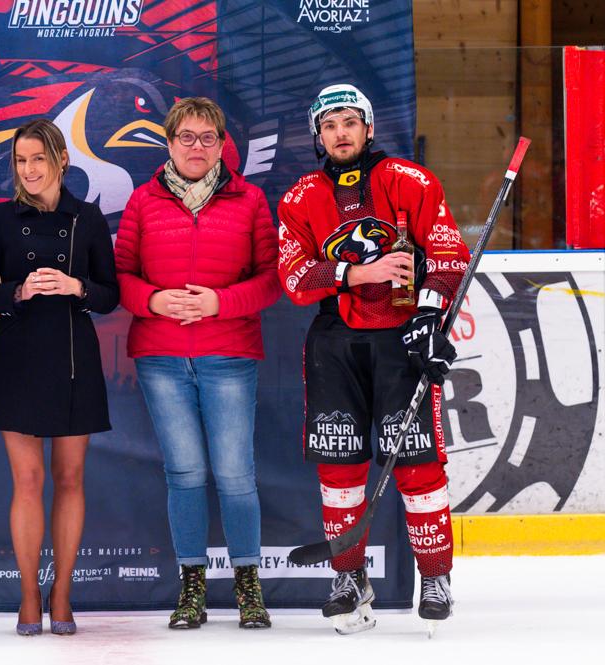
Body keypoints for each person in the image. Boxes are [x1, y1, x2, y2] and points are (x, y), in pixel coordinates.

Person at [277, 83, 470, 634]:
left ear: (368, 128)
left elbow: (449, 254)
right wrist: (357, 273)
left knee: (419, 468)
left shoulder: (409, 182)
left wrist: (431, 317)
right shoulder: (299, 197)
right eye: (329, 125)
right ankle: (349, 577)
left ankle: (435, 577)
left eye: (349, 122)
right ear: (318, 135)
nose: (340, 133)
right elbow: (294, 278)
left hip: (402, 340)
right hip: (335, 342)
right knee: (341, 472)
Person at [114, 97, 280, 630]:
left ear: (222, 144)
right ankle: (192, 589)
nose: (197, 147)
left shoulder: (250, 200)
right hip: (161, 358)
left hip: (228, 354)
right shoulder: (143, 201)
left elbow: (272, 278)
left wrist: (217, 302)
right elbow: (119, 277)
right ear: (168, 142)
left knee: (235, 474)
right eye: (186, 136)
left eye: (207, 137)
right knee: (184, 474)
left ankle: (248, 587)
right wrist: (155, 301)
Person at [0, 118, 119, 636]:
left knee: (70, 479)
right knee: (28, 481)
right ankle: (29, 594)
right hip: (19, 359)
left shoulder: (88, 220)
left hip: (75, 360)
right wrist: (18, 290)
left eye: (38, 159)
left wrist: (77, 286)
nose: (29, 170)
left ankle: (62, 594)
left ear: (61, 161)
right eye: (20, 160)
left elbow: (110, 295)